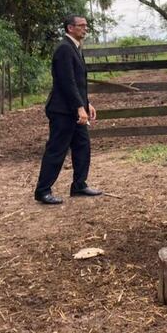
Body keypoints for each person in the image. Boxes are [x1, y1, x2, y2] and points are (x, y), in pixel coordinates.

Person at [34, 15, 103, 205]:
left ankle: (79, 185)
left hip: (74, 108)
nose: (85, 29)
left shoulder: (75, 48)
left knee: (83, 146)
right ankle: (42, 191)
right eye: (81, 26)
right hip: (63, 110)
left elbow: (78, 82)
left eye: (86, 26)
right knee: (57, 150)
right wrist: (79, 107)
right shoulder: (64, 48)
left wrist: (86, 103)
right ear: (70, 28)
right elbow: (66, 82)